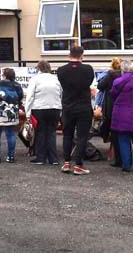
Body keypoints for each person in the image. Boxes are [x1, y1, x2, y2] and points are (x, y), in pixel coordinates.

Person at [57, 45, 95, 176]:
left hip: (68, 106)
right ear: (82, 55)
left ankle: (66, 163)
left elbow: (63, 84)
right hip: (83, 107)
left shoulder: (61, 70)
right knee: (82, 137)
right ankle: (78, 165)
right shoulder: (88, 69)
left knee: (67, 135)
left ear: (69, 55)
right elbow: (88, 83)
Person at [110, 59, 133, 173]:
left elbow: (113, 95)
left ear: (122, 70)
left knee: (123, 140)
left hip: (121, 114)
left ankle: (126, 166)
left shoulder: (117, 82)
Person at [24, 60, 62, 165]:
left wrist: (27, 113)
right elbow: (61, 94)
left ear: (38, 68)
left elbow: (30, 97)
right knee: (51, 133)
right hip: (55, 108)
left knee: (40, 133)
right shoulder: (56, 79)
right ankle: (53, 159)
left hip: (39, 108)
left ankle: (41, 157)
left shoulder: (35, 79)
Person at [0, 66, 22, 163]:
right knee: (11, 135)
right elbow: (20, 97)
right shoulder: (17, 85)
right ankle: (10, 157)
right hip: (13, 112)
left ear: (4, 75)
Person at [97, 58, 123, 166]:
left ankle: (118, 160)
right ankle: (125, 157)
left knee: (114, 135)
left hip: (110, 107)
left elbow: (100, 86)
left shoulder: (110, 75)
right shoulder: (125, 75)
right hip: (123, 107)